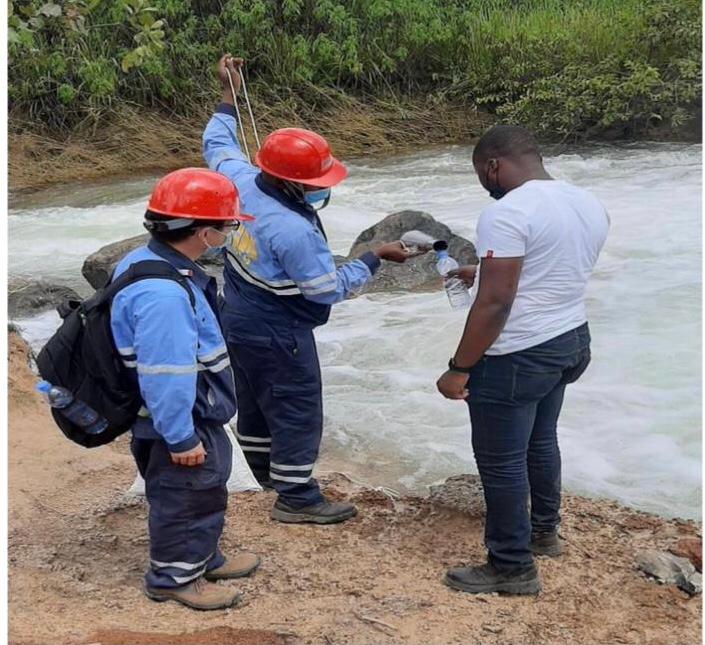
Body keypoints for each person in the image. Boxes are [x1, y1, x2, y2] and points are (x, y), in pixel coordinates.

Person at [202, 55, 409, 525]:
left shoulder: (235, 180)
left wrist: (228, 94)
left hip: (235, 316)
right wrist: (373, 258)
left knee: (255, 399)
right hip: (279, 329)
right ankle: (295, 495)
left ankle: (264, 476)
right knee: (297, 406)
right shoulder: (292, 230)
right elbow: (324, 291)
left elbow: (216, 141)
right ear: (293, 182)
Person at [436, 125, 609, 595]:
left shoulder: (507, 211)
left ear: (493, 165)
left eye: (480, 174)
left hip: (518, 353)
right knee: (541, 440)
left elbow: (495, 303)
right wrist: (482, 271)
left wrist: (460, 367)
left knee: (501, 462)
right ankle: (543, 533)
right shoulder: (585, 200)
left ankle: (511, 566)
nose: (484, 184)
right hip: (570, 339)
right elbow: (550, 268)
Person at [110, 168, 260, 610]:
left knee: (203, 489)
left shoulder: (147, 260)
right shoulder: (165, 296)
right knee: (186, 495)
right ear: (202, 230)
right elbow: (167, 372)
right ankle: (173, 577)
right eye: (227, 226)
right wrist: (180, 435)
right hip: (178, 417)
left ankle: (203, 558)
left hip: (182, 412)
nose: (231, 232)